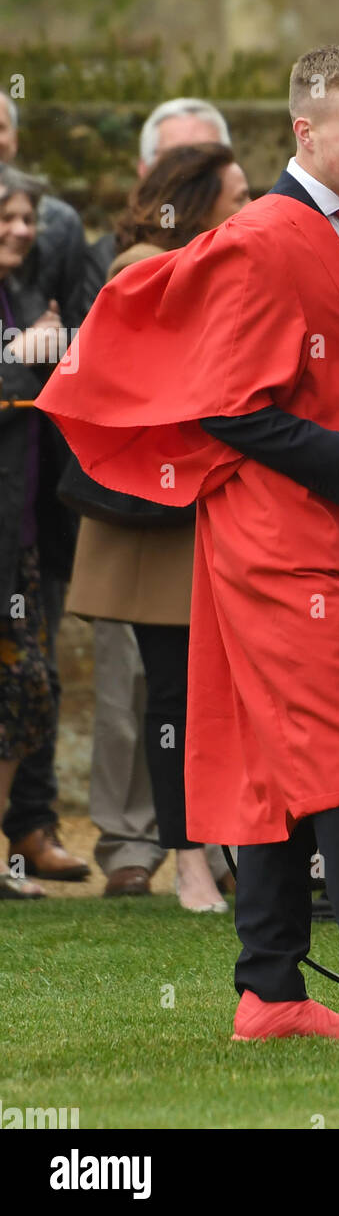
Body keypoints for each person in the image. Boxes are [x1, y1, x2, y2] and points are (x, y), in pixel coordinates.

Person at [39, 44, 339, 1046]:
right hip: (279, 541)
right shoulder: (265, 237)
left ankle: (266, 989)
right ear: (304, 131)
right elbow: (229, 410)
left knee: (264, 759)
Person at [64, 143, 250, 912]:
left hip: (202, 509)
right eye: (237, 195)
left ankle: (222, 846)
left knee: (214, 692)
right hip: (156, 523)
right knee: (177, 694)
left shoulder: (203, 258)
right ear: (198, 198)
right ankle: (189, 860)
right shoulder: (142, 264)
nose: (248, 207)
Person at [0, 97, 89, 883]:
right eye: (8, 219)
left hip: (28, 531)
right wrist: (15, 356)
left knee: (26, 683)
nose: (24, 231)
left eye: (28, 218)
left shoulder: (32, 291)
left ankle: (25, 834)